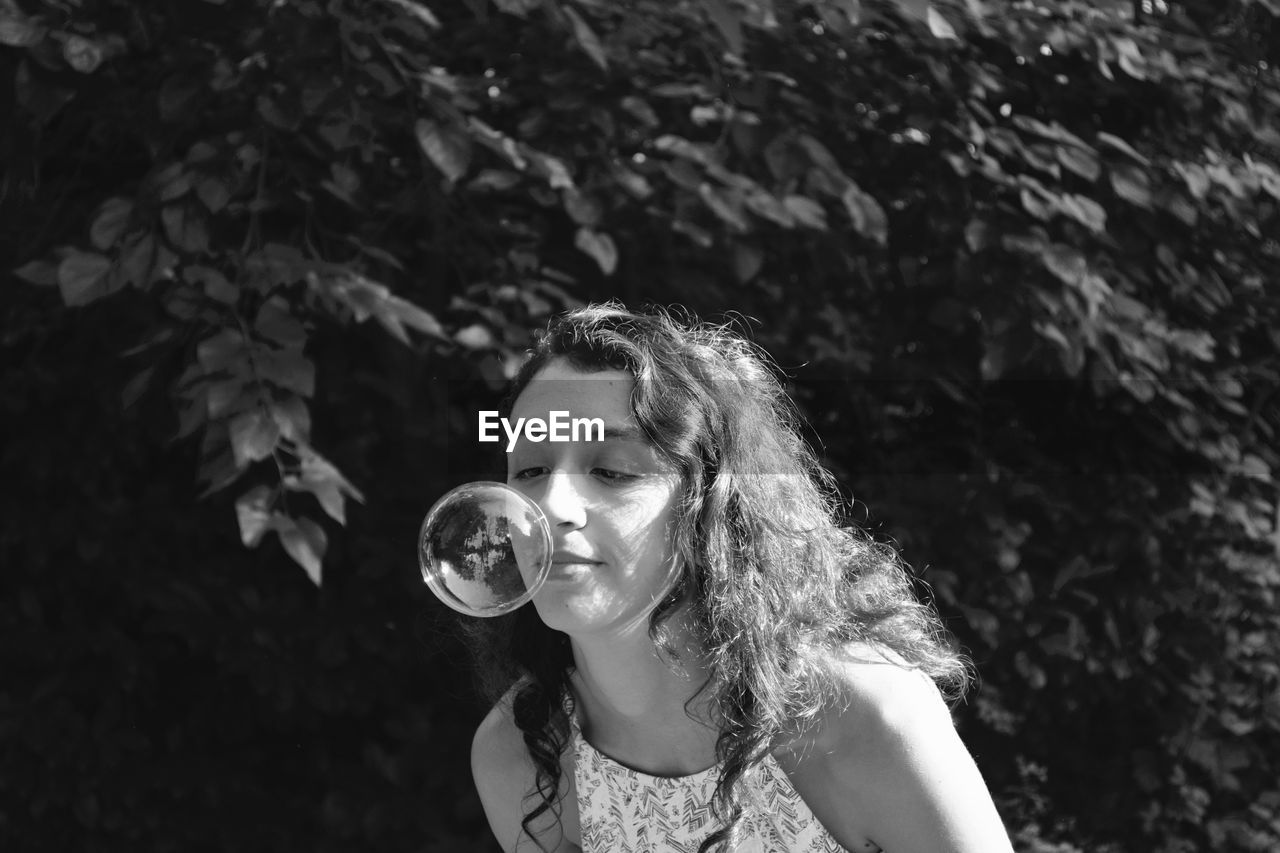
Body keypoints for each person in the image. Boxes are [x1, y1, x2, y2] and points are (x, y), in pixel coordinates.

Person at [467, 303, 1014, 853]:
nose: (551, 505)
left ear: (710, 506)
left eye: (612, 470)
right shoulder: (523, 751)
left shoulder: (859, 715)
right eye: (531, 470)